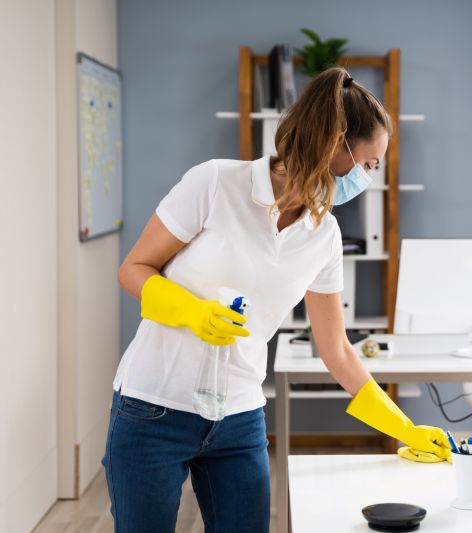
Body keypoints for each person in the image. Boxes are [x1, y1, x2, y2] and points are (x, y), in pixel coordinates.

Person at [102, 67, 450, 533]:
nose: (371, 176)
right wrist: (191, 311)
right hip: (154, 409)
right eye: (369, 163)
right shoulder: (216, 184)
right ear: (335, 142)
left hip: (239, 419)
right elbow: (133, 269)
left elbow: (337, 349)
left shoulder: (323, 235)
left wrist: (401, 427)